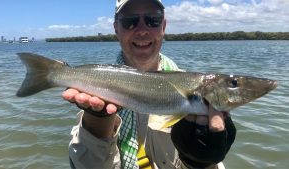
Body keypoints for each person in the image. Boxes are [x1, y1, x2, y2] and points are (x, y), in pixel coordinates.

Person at [62, 0, 236, 168]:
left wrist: (201, 164)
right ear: (116, 28)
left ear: (163, 26)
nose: (142, 30)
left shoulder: (194, 86)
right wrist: (97, 122)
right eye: (130, 21)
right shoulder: (97, 87)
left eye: (153, 20)